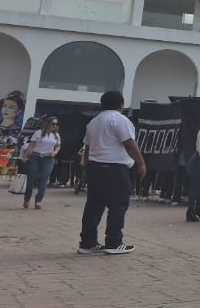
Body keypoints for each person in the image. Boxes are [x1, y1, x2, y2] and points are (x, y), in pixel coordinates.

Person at [78, 91, 147, 255]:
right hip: (114, 168)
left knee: (93, 206)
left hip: (95, 167)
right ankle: (114, 242)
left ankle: (87, 242)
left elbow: (87, 148)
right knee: (118, 205)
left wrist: (86, 168)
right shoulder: (119, 119)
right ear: (121, 104)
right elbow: (129, 143)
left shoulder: (93, 122)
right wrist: (141, 163)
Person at [21, 117, 62, 209]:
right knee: (32, 178)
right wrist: (25, 156)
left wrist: (55, 152)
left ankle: (39, 200)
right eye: (53, 124)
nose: (54, 126)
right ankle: (27, 198)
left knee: (44, 178)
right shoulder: (38, 133)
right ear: (47, 124)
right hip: (35, 157)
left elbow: (58, 146)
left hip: (48, 158)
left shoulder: (56, 135)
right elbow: (31, 146)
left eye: (56, 124)